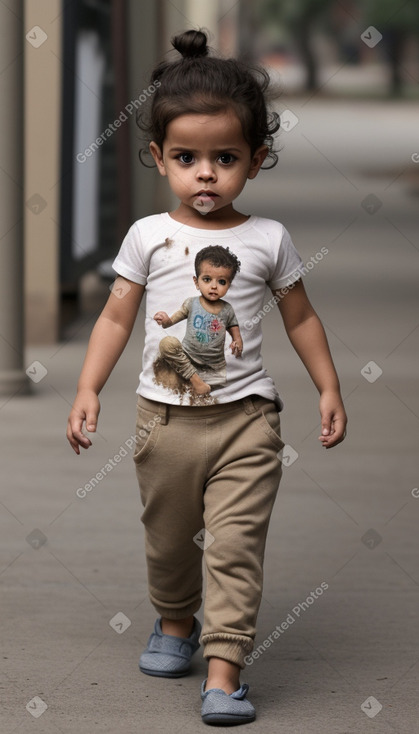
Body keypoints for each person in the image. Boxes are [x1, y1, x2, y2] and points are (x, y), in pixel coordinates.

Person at [67, 29, 347, 726]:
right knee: (167, 540)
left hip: (246, 422)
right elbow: (114, 319)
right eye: (187, 158)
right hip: (161, 422)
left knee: (234, 546)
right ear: (158, 158)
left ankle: (223, 672)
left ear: (256, 159)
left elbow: (301, 318)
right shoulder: (143, 236)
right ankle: (173, 622)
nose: (205, 174)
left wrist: (328, 386)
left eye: (224, 159)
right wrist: (87, 387)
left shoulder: (268, 239)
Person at [153, 245, 243, 398]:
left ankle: (199, 384)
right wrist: (165, 320)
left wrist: (238, 340)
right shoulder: (191, 304)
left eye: (222, 282)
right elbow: (172, 321)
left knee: (213, 395)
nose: (214, 286)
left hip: (214, 365)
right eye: (207, 280)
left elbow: (233, 325)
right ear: (196, 282)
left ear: (229, 285)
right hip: (188, 359)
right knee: (167, 344)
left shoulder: (227, 309)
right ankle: (195, 380)